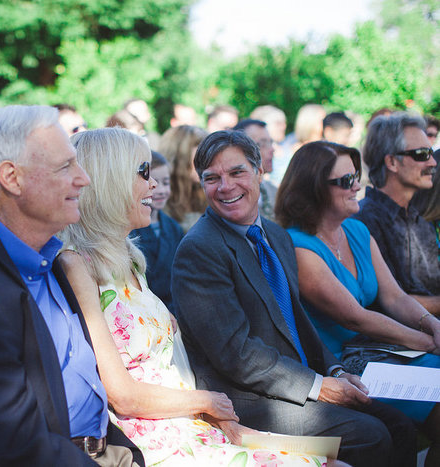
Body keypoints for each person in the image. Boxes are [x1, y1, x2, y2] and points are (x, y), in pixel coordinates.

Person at [59, 127, 329, 466]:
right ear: (110, 179)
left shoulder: (128, 259)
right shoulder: (76, 266)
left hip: (193, 420)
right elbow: (124, 396)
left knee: (331, 456)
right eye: (143, 173)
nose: (154, 185)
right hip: (151, 437)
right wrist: (207, 403)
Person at [0, 105, 143, 466]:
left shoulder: (47, 257)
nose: (83, 178)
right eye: (66, 166)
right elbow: (15, 449)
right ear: (12, 178)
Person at [172, 130, 417, 467]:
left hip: (295, 382)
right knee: (372, 435)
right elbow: (236, 355)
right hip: (246, 400)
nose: (225, 187)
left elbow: (296, 319)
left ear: (260, 172)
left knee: (400, 426)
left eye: (236, 172)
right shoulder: (200, 249)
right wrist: (320, 386)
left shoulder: (274, 235)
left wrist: (335, 370)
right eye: (211, 178)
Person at [277, 140, 440, 466]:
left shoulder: (356, 229)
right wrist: (429, 342)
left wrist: (433, 325)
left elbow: (395, 297)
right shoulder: (299, 246)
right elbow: (356, 318)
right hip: (344, 366)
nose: (358, 187)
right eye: (346, 181)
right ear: (314, 190)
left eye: (356, 176)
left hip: (384, 352)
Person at [354, 113, 440, 316]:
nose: (432, 163)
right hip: (397, 342)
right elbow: (389, 303)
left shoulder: (418, 221)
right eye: (421, 154)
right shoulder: (363, 223)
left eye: (430, 152)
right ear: (392, 162)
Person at [129, 151, 183, 312]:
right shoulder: (131, 230)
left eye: (166, 182)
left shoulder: (174, 227)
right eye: (154, 181)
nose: (159, 190)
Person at [159, 125, 208, 232]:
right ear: (180, 159)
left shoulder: (207, 193)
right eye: (200, 159)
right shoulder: (159, 197)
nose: (207, 165)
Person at [233, 119, 276, 220]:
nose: (272, 149)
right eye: (262, 144)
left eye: (271, 142)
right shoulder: (229, 195)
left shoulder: (275, 192)